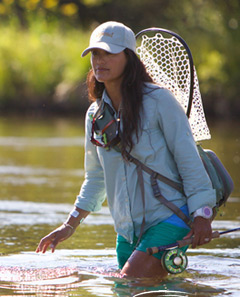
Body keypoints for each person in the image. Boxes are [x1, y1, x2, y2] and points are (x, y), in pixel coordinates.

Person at [36, 21, 216, 278]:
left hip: (172, 217)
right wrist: (69, 225)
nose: (100, 60)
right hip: (127, 231)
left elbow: (187, 158)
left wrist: (202, 215)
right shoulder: (94, 115)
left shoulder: (159, 101)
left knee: (131, 282)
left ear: (129, 58)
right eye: (96, 53)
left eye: (109, 53)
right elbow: (96, 177)